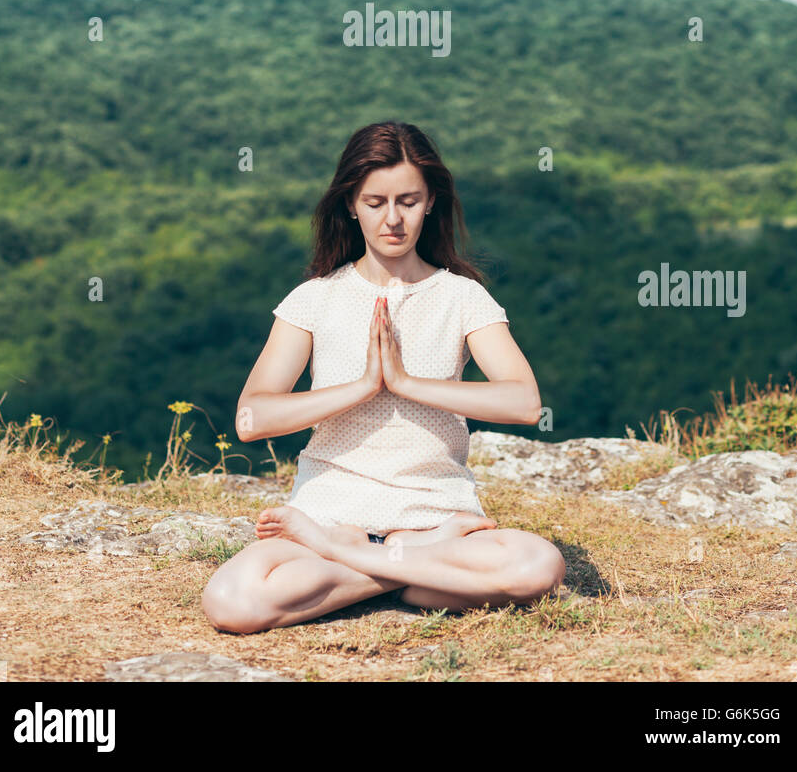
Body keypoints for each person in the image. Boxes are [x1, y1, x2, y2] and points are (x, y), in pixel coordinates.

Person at [202, 120, 566, 633]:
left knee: (538, 566)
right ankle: (410, 571)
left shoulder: (462, 297)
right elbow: (250, 417)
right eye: (375, 202)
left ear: (432, 202)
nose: (393, 219)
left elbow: (525, 402)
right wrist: (363, 386)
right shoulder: (314, 298)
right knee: (231, 600)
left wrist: (406, 383)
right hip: (330, 513)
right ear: (350, 203)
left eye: (409, 201)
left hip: (438, 518)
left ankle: (358, 561)